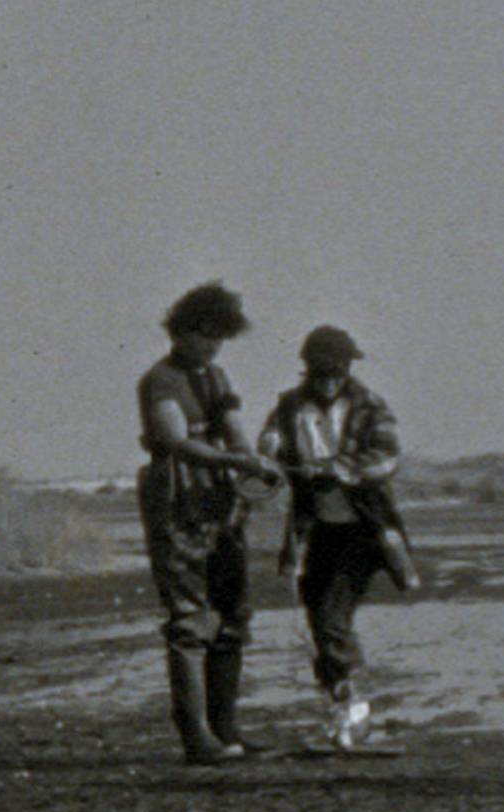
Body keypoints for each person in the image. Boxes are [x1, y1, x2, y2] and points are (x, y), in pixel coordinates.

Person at [135, 281, 285, 764]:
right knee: (188, 619)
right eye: (205, 333)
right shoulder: (159, 380)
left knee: (233, 615)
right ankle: (197, 736)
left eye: (220, 335)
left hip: (222, 506)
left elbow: (236, 432)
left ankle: (227, 729)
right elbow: (175, 440)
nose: (213, 344)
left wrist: (254, 461)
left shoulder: (218, 379)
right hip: (178, 502)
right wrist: (238, 464)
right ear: (181, 331)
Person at [256, 325, 415, 752]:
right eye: (322, 370)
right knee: (317, 616)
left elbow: (387, 457)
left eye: (338, 369)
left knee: (332, 617)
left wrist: (338, 469)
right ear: (308, 368)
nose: (330, 377)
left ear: (348, 368)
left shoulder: (369, 405)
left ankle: (353, 707)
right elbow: (268, 450)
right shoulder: (289, 408)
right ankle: (344, 709)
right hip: (315, 530)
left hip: (365, 529)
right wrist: (269, 463)